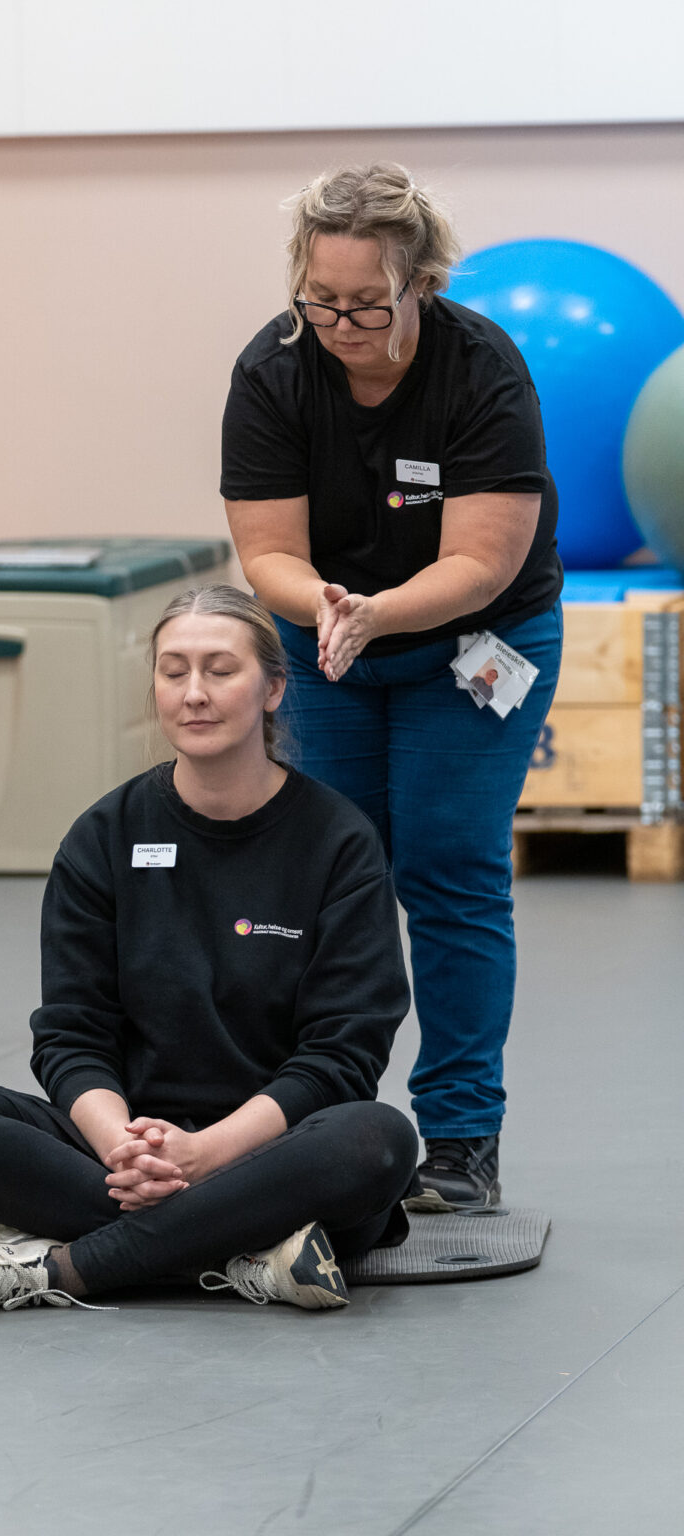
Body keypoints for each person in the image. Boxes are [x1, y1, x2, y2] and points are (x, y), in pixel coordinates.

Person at [0, 585, 416, 1313]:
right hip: (122, 1156)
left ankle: (59, 1271)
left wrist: (207, 1155)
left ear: (273, 687)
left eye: (220, 670)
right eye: (174, 671)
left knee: (376, 1141)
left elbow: (343, 1056)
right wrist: (122, 1149)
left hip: (275, 1154)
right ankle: (251, 1253)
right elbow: (72, 1035)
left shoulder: (338, 844)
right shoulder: (104, 836)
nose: (194, 693)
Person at [220, 163, 564, 1212]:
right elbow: (265, 546)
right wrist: (326, 605)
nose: (342, 324)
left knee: (449, 875)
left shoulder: (480, 369)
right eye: (321, 301)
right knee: (335, 880)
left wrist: (378, 611)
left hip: (473, 645)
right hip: (331, 644)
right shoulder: (274, 369)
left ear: (420, 283)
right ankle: (325, 1126)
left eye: (367, 304)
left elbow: (484, 562)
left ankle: (460, 1142)